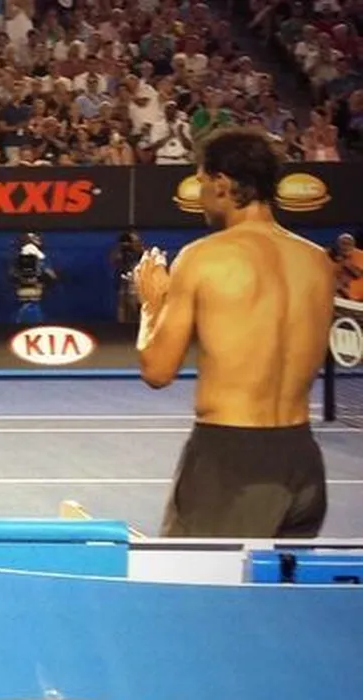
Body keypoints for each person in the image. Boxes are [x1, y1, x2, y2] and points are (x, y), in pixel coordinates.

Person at [134, 128, 334, 538]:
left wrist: (151, 306)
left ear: (222, 183)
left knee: (192, 579)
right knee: (277, 581)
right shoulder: (317, 262)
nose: (200, 195)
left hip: (231, 465)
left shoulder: (202, 257)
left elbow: (157, 371)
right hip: (303, 462)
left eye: (202, 182)